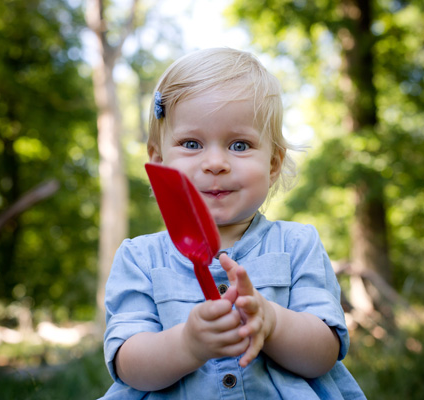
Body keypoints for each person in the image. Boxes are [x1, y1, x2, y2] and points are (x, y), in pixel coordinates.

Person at [97, 48, 366, 399]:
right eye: (191, 143)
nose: (215, 163)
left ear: (272, 164)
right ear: (158, 159)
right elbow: (127, 365)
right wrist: (187, 344)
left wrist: (272, 322)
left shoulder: (298, 244)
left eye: (239, 145)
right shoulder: (140, 258)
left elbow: (323, 355)